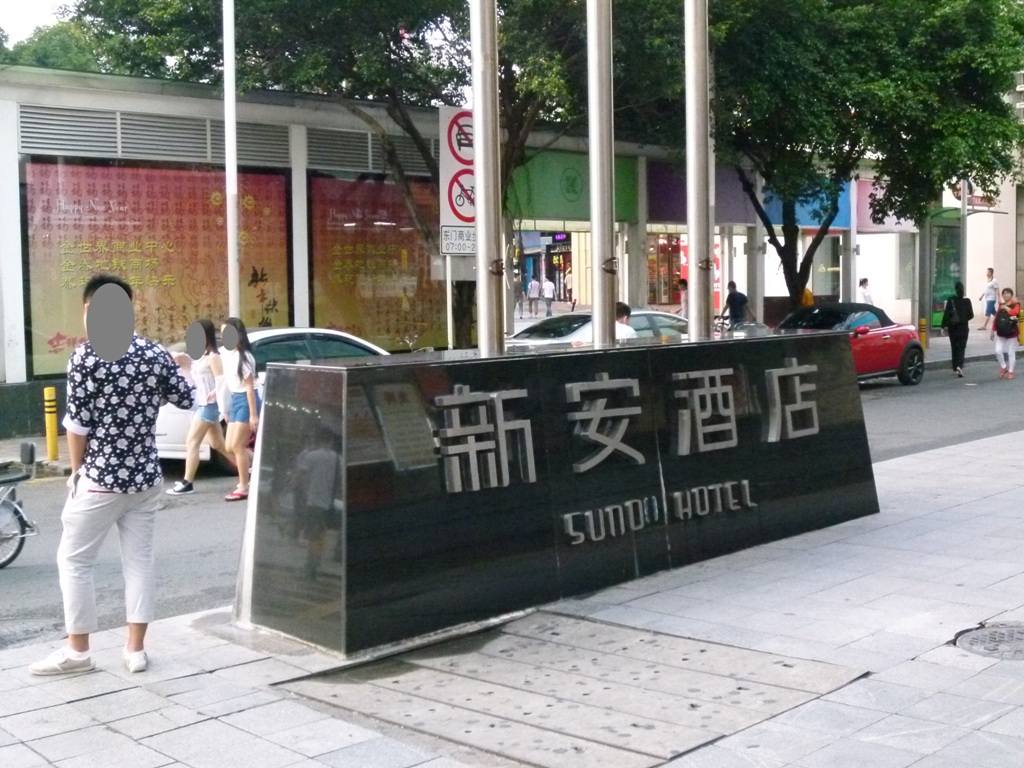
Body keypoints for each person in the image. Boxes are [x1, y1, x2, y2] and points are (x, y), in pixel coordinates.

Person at [30, 273, 195, 676]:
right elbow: (187, 398)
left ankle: (79, 651)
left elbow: (77, 426)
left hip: (101, 479)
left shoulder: (86, 357)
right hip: (146, 479)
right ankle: (135, 651)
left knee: (74, 560)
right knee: (139, 563)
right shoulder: (154, 353)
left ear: (89, 310)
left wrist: (77, 472)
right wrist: (185, 367)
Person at [166, 319, 234, 495]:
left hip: (209, 406)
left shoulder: (213, 357)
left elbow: (222, 380)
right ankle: (252, 467)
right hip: (202, 403)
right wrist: (184, 364)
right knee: (218, 444)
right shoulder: (200, 357)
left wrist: (214, 393)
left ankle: (187, 482)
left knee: (192, 442)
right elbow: (194, 382)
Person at [295, 428, 343, 580]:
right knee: (321, 537)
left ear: (318, 439)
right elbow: (340, 482)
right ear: (331, 441)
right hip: (328, 504)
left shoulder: (312, 456)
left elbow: (301, 476)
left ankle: (310, 567)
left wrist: (305, 492)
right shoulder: (338, 459)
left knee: (313, 538)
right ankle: (315, 565)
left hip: (314, 501)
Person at [220, 317, 259, 501]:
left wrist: (253, 415)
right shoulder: (228, 354)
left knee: (238, 446)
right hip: (236, 400)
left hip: (246, 400)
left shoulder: (245, 357)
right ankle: (261, 465)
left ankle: (243, 486)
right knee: (229, 446)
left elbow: (250, 388)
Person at [940, 281, 974, 377]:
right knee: (962, 347)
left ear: (955, 290)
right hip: (963, 327)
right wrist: (964, 319)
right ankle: (960, 366)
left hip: (953, 328)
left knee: (954, 347)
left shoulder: (951, 300)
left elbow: (946, 314)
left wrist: (943, 326)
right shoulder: (967, 301)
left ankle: (955, 367)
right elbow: (971, 315)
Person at [991, 286, 1020, 379]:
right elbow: (996, 319)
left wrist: (1005, 307)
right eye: (1004, 293)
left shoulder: (1016, 304)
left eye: (1007, 293)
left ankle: (1011, 371)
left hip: (1012, 332)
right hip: (1001, 332)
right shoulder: (1001, 306)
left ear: (1011, 295)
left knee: (1011, 352)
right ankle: (1004, 367)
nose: (1005, 295)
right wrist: (992, 330)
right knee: (998, 350)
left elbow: (1015, 313)